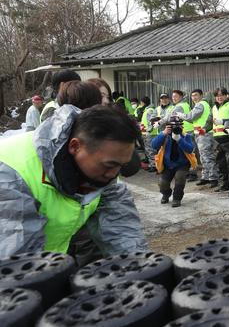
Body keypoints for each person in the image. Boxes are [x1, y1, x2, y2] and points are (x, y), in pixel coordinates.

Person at [0, 105, 148, 258]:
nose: (114, 174)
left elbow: (122, 232)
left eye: (120, 166)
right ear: (75, 146)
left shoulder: (103, 173)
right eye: (109, 165)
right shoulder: (10, 174)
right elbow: (17, 262)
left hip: (48, 264)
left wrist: (138, 270)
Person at [176, 89, 219, 188]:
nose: (194, 97)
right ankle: (206, 177)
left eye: (196, 95)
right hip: (202, 134)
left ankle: (213, 178)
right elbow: (194, 120)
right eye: (192, 96)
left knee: (207, 156)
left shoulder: (200, 104)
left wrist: (181, 115)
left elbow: (191, 117)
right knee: (204, 156)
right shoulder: (204, 104)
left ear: (201, 95)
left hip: (204, 135)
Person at [151, 116, 195, 207]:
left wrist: (179, 139)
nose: (176, 128)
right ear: (168, 126)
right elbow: (154, 145)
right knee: (163, 184)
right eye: (173, 126)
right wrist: (163, 133)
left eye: (179, 126)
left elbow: (190, 149)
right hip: (168, 164)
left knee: (180, 178)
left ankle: (177, 198)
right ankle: (166, 194)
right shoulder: (165, 135)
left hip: (182, 164)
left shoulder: (186, 136)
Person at [171, 89, 197, 182]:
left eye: (176, 96)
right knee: (189, 153)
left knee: (189, 153)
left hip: (186, 131)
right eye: (173, 96)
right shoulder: (185, 105)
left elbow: (171, 118)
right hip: (188, 130)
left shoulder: (179, 106)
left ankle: (192, 173)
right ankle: (191, 173)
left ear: (181, 97)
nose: (173, 98)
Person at [141, 96, 159, 172]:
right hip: (147, 133)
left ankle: (154, 165)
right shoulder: (147, 110)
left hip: (150, 133)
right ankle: (152, 164)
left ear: (143, 103)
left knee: (151, 150)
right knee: (149, 149)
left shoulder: (150, 110)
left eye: (141, 102)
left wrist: (149, 130)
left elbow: (151, 121)